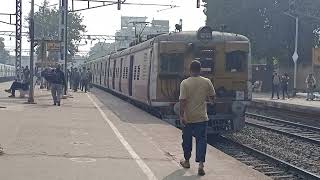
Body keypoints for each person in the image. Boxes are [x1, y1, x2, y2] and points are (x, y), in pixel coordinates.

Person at [179, 60, 215, 176]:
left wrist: (181, 115)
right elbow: (212, 98)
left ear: (190, 70)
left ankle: (187, 161)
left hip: (188, 117)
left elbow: (182, 101)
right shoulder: (207, 81)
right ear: (200, 70)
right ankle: (201, 165)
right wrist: (207, 101)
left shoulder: (184, 83)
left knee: (187, 140)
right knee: (201, 141)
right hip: (202, 117)